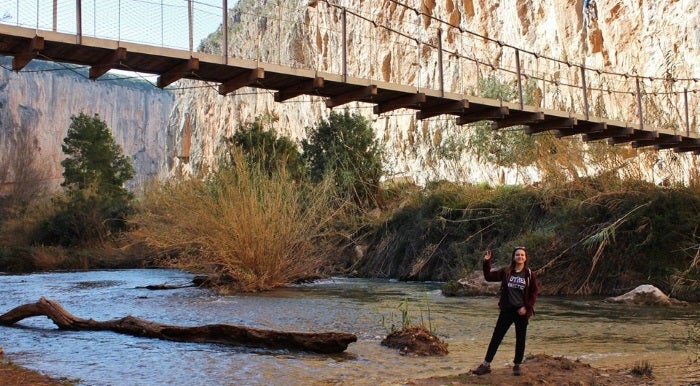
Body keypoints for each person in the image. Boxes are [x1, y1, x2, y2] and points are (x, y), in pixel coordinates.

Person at [471, 246, 540, 376]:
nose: (520, 257)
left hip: (522, 312)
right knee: (496, 337)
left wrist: (527, 307)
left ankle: (517, 365)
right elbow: (488, 277)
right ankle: (486, 365)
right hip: (507, 310)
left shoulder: (529, 274)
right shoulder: (506, 272)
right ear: (514, 257)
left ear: (525, 258)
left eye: (522, 255)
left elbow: (534, 292)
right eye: (517, 255)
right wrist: (486, 262)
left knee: (521, 339)